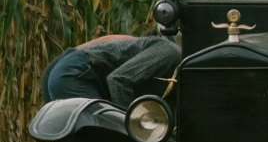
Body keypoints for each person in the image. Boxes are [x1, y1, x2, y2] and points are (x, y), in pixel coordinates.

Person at [41, 32, 181, 108]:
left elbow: (51, 71)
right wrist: (130, 131)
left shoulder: (129, 47)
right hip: (75, 74)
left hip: (59, 75)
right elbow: (118, 80)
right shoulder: (170, 50)